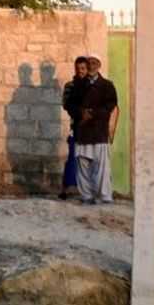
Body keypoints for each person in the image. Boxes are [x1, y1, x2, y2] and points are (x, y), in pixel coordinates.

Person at [76, 53, 118, 204]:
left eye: (94, 63)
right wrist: (80, 113)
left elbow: (110, 106)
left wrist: (92, 113)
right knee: (82, 164)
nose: (91, 66)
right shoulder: (79, 85)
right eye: (89, 63)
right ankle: (87, 195)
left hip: (98, 130)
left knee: (102, 167)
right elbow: (71, 104)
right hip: (83, 130)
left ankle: (105, 196)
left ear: (99, 65)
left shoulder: (107, 86)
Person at [59, 56, 89, 200]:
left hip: (90, 128)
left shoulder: (91, 86)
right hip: (76, 126)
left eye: (83, 69)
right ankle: (66, 189)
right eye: (78, 69)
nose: (80, 72)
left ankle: (86, 190)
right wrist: (79, 112)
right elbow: (66, 104)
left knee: (88, 158)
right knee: (72, 158)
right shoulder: (70, 85)